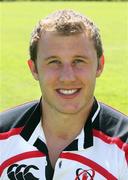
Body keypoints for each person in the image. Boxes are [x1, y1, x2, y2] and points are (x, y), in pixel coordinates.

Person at [0, 9, 128, 180]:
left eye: (78, 61)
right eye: (54, 62)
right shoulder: (2, 137)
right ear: (34, 69)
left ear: (99, 65)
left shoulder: (124, 146)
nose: (67, 77)